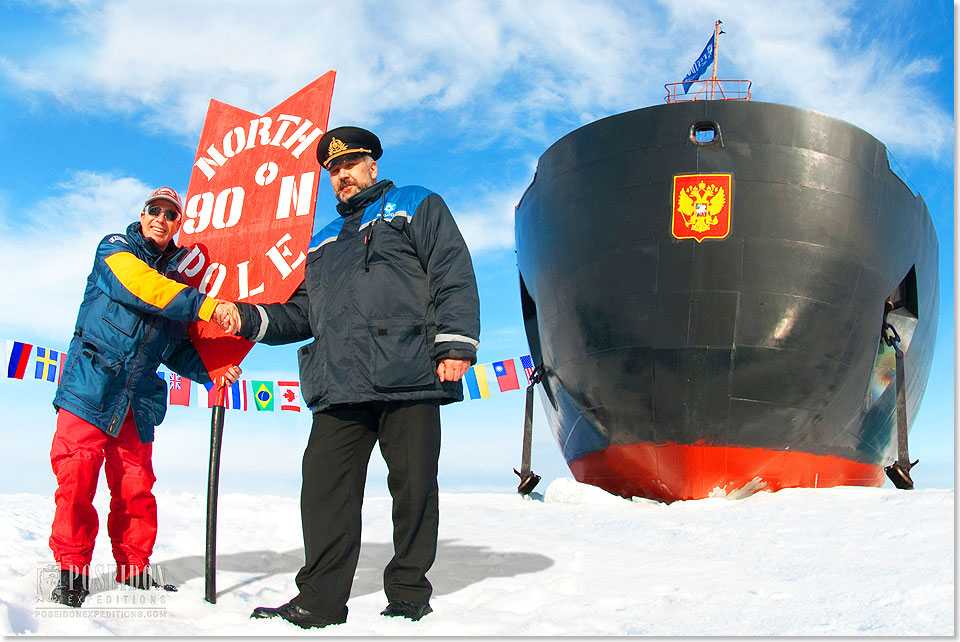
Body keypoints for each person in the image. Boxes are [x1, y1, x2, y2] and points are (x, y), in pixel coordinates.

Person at [221, 126, 480, 629]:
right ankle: (319, 600)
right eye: (333, 170)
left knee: (414, 487)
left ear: (372, 166)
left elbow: (452, 270)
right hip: (340, 383)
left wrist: (456, 343)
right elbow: (302, 314)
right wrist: (248, 318)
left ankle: (407, 592)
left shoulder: (415, 204)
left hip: (409, 372)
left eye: (350, 164)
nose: (341, 175)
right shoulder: (322, 240)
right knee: (323, 488)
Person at [48, 186, 241, 607]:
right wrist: (206, 306)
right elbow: (140, 286)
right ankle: (71, 573)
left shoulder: (173, 282)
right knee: (77, 479)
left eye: (170, 215)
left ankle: (134, 571)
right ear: (141, 215)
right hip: (91, 387)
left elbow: (173, 347)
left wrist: (210, 369)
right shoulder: (115, 250)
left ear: (178, 225)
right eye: (154, 210)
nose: (161, 218)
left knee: (136, 487)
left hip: (137, 399)